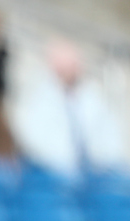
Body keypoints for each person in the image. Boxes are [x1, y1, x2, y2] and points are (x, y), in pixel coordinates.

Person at [11, 38, 130, 182]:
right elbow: (33, 143)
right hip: (53, 177)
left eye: (73, 64)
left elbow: (109, 140)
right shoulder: (35, 99)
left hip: (95, 175)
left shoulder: (93, 97)